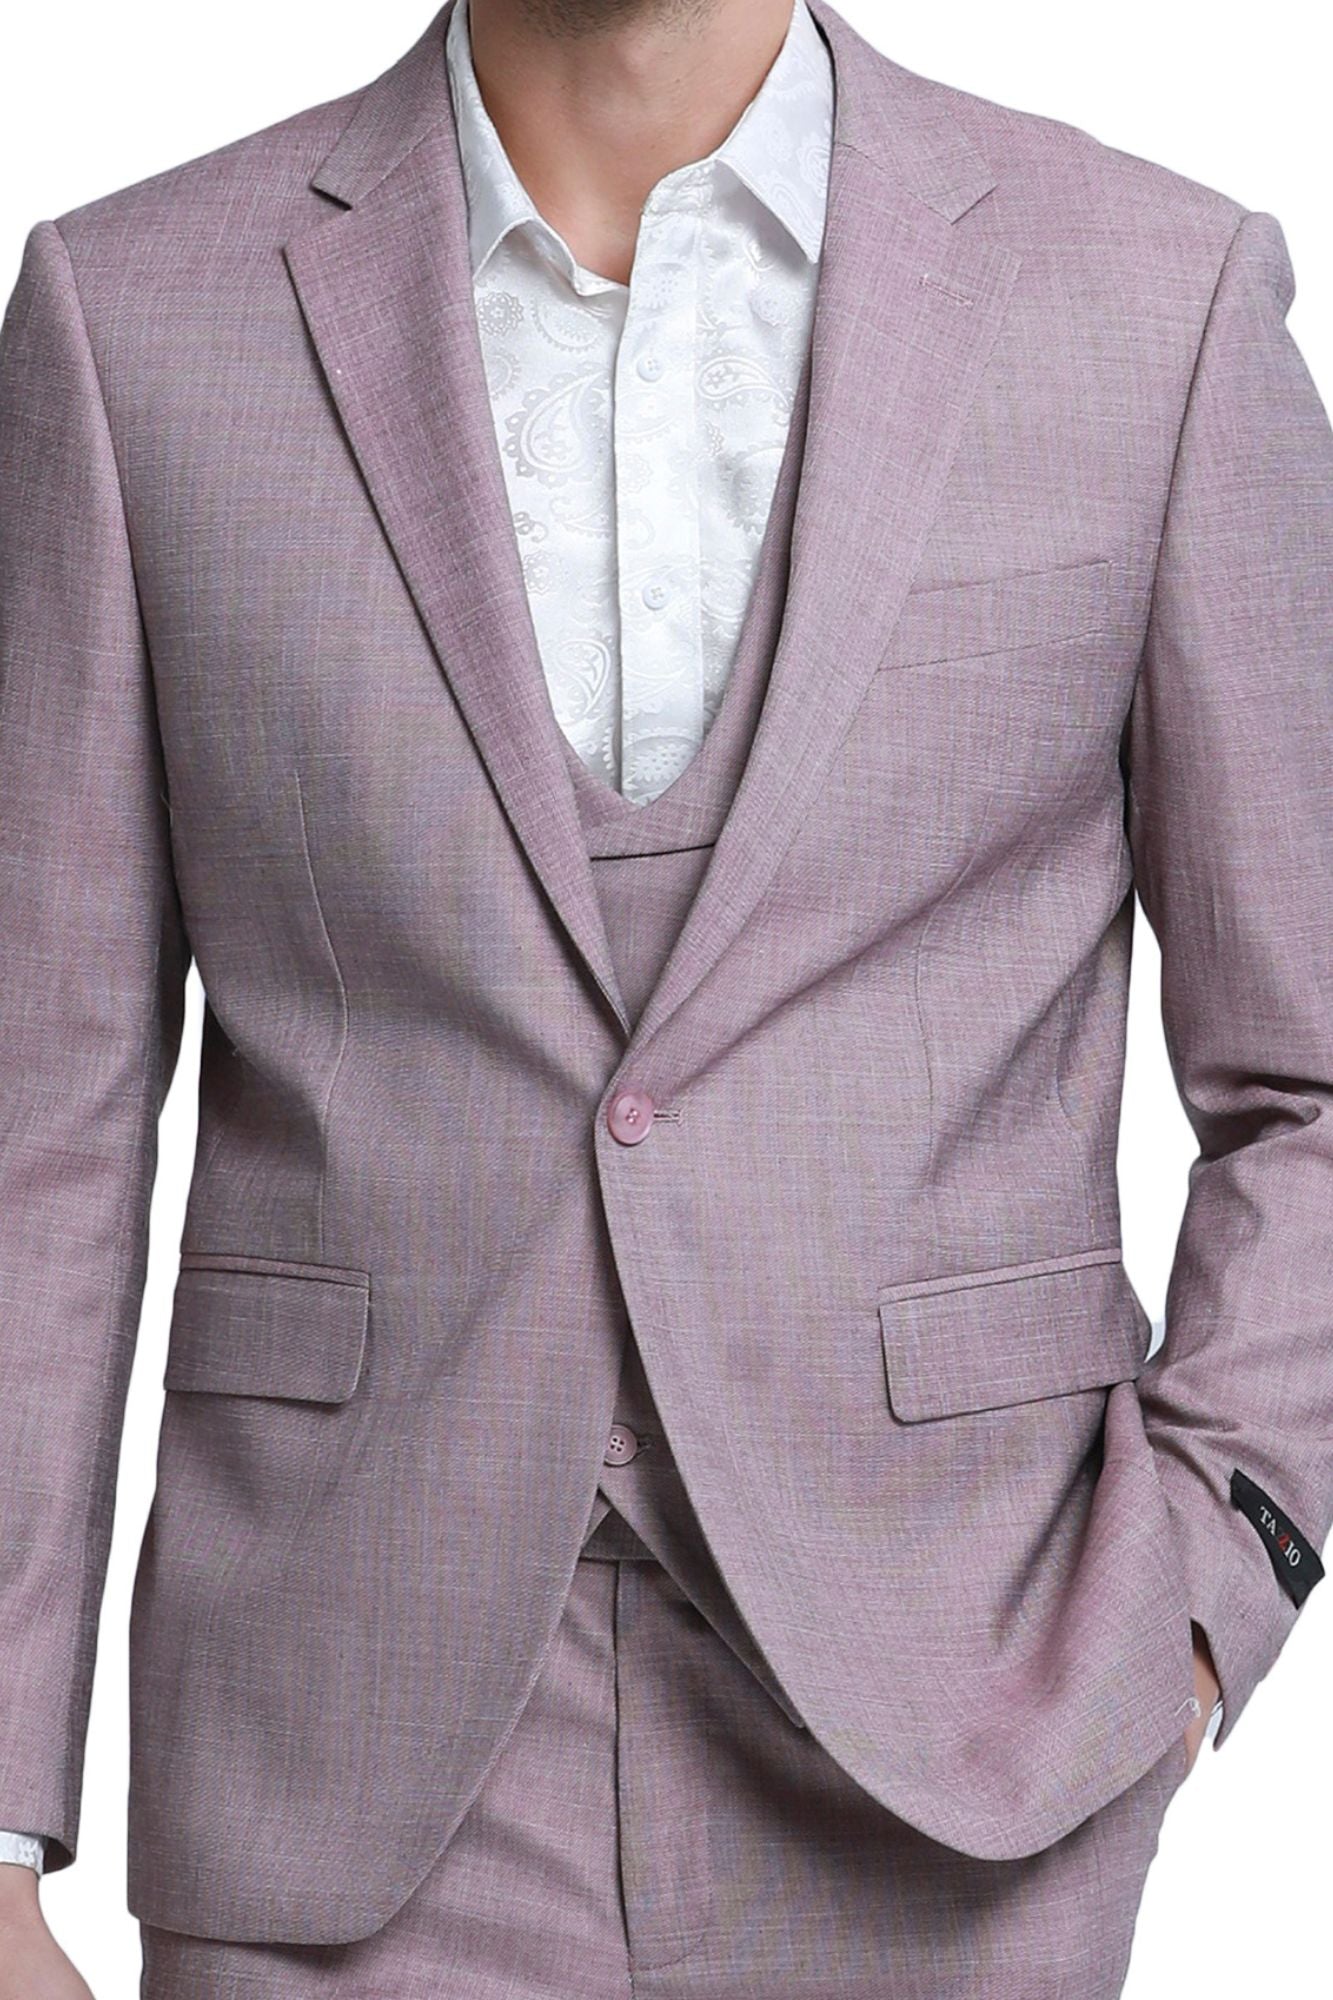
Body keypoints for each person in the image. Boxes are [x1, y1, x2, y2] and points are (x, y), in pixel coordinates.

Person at [0, 0, 1329, 1991]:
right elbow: (36, 1124)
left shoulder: (1155, 299)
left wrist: (1205, 1586)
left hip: (966, 1736)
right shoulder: (131, 318)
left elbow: (1312, 1077)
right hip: (337, 1746)